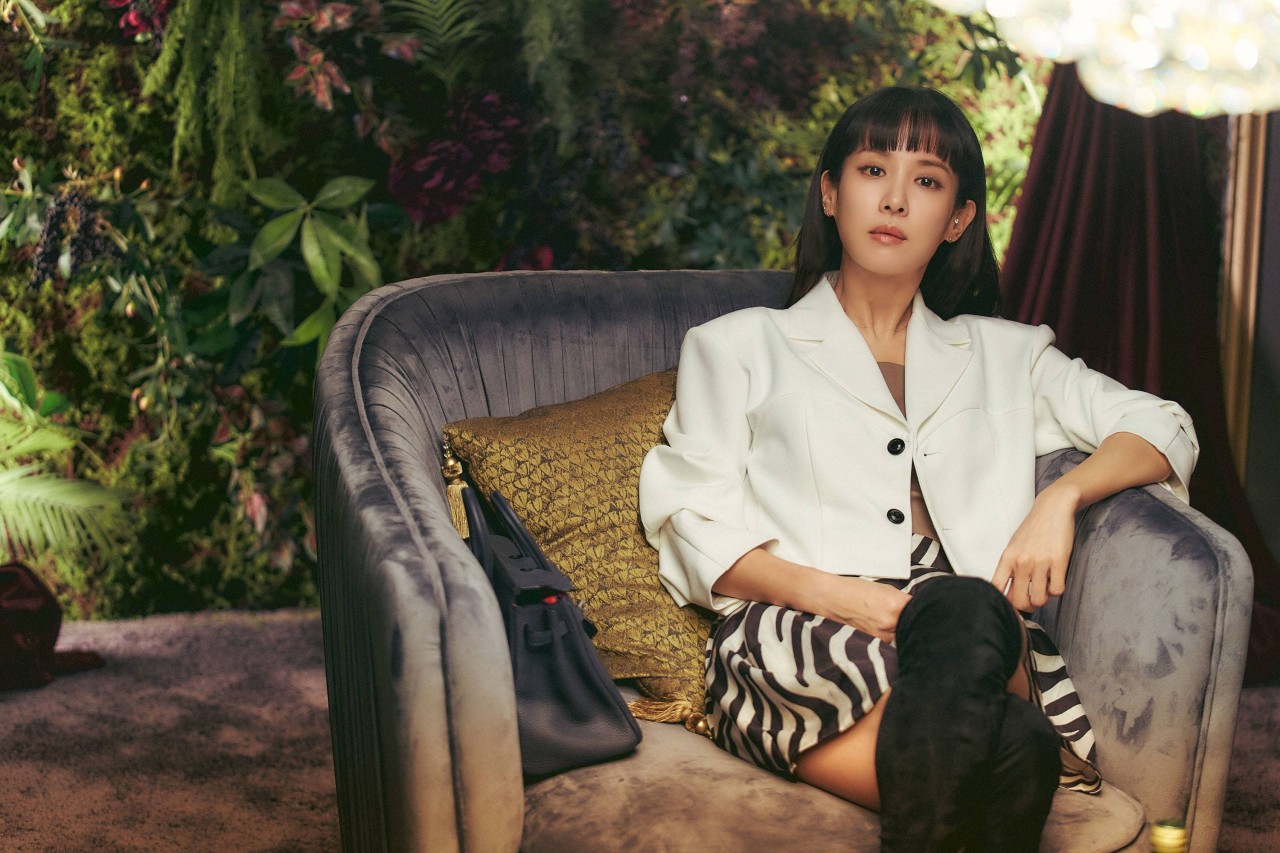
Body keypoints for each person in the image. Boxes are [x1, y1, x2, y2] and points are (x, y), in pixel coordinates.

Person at [638, 86, 1199, 852]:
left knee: (966, 610)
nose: (895, 199)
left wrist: (1061, 498)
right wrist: (842, 596)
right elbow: (689, 517)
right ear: (831, 193)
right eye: (873, 170)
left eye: (927, 181)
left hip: (970, 630)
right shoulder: (737, 345)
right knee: (1017, 751)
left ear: (958, 218)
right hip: (800, 634)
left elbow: (1164, 426)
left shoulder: (1007, 354)